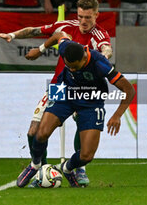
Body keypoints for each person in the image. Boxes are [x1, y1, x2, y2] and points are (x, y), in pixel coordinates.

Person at [0, 0, 113, 186]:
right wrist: (13, 35)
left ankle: (78, 168)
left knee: (82, 124)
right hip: (59, 87)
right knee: (34, 131)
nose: (83, 21)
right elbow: (36, 30)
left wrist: (101, 58)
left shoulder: (99, 35)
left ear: (96, 15)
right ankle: (40, 169)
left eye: (88, 17)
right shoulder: (66, 27)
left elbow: (106, 50)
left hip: (84, 90)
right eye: (81, 16)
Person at [16, 31, 135, 188]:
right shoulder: (66, 48)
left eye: (75, 67)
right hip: (64, 93)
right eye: (68, 66)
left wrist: (117, 115)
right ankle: (35, 165)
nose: (71, 69)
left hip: (91, 102)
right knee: (41, 132)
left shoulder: (100, 63)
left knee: (87, 155)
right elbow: (59, 35)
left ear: (84, 58)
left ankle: (67, 168)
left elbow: (129, 90)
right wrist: (40, 49)